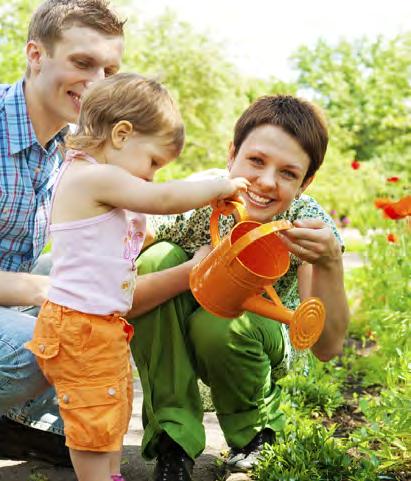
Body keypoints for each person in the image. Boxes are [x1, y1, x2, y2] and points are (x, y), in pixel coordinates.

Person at [24, 72, 248, 481]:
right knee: (93, 419)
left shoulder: (100, 182)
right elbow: (162, 199)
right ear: (122, 134)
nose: (153, 177)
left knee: (111, 412)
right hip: (81, 326)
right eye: (153, 163)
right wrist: (220, 186)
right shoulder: (94, 176)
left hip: (99, 324)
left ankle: (111, 475)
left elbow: (134, 229)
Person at [129, 95, 350, 480]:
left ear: (306, 183)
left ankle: (255, 433)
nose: (266, 182)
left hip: (255, 342)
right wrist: (191, 271)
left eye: (288, 173)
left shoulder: (305, 224)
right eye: (256, 161)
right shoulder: (202, 196)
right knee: (156, 258)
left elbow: (327, 347)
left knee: (221, 322)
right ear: (232, 154)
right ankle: (173, 439)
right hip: (182, 334)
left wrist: (329, 261)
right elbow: (124, 283)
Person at [0, 0, 125, 465]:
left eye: (109, 70)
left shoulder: (68, 148)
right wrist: (46, 291)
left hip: (9, 293)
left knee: (113, 289)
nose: (98, 83)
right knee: (45, 347)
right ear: (36, 55)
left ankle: (19, 422)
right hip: (13, 296)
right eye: (83, 63)